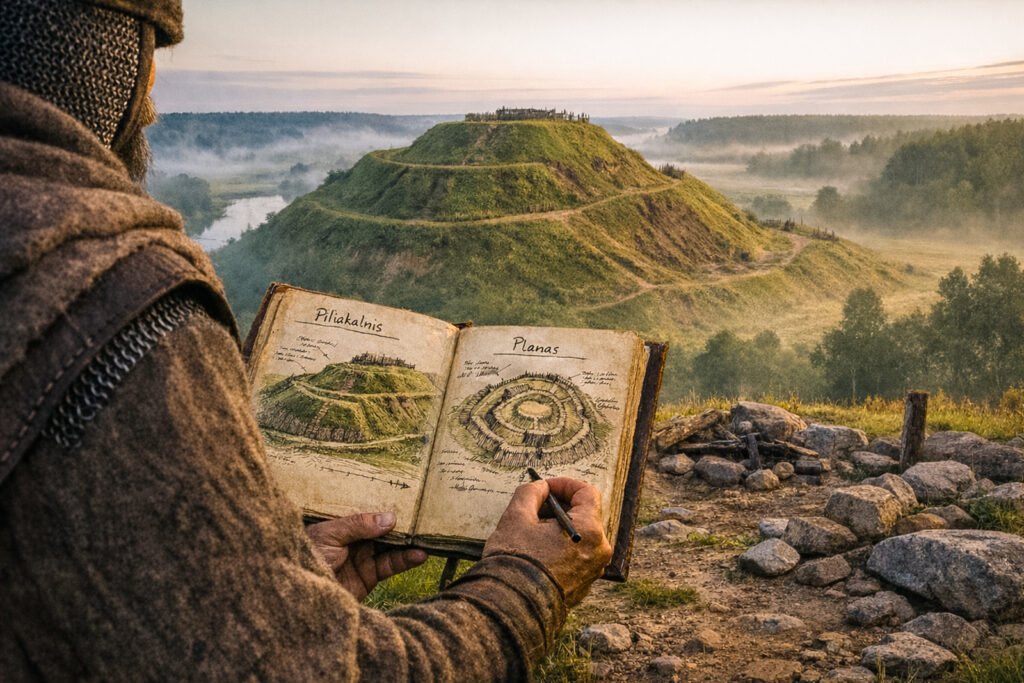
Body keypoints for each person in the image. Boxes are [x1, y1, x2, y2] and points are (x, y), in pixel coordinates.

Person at [0, 1, 613, 680]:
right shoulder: (114, 309)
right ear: (99, 59)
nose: (152, 100)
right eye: (151, 53)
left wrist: (274, 582)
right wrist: (525, 587)